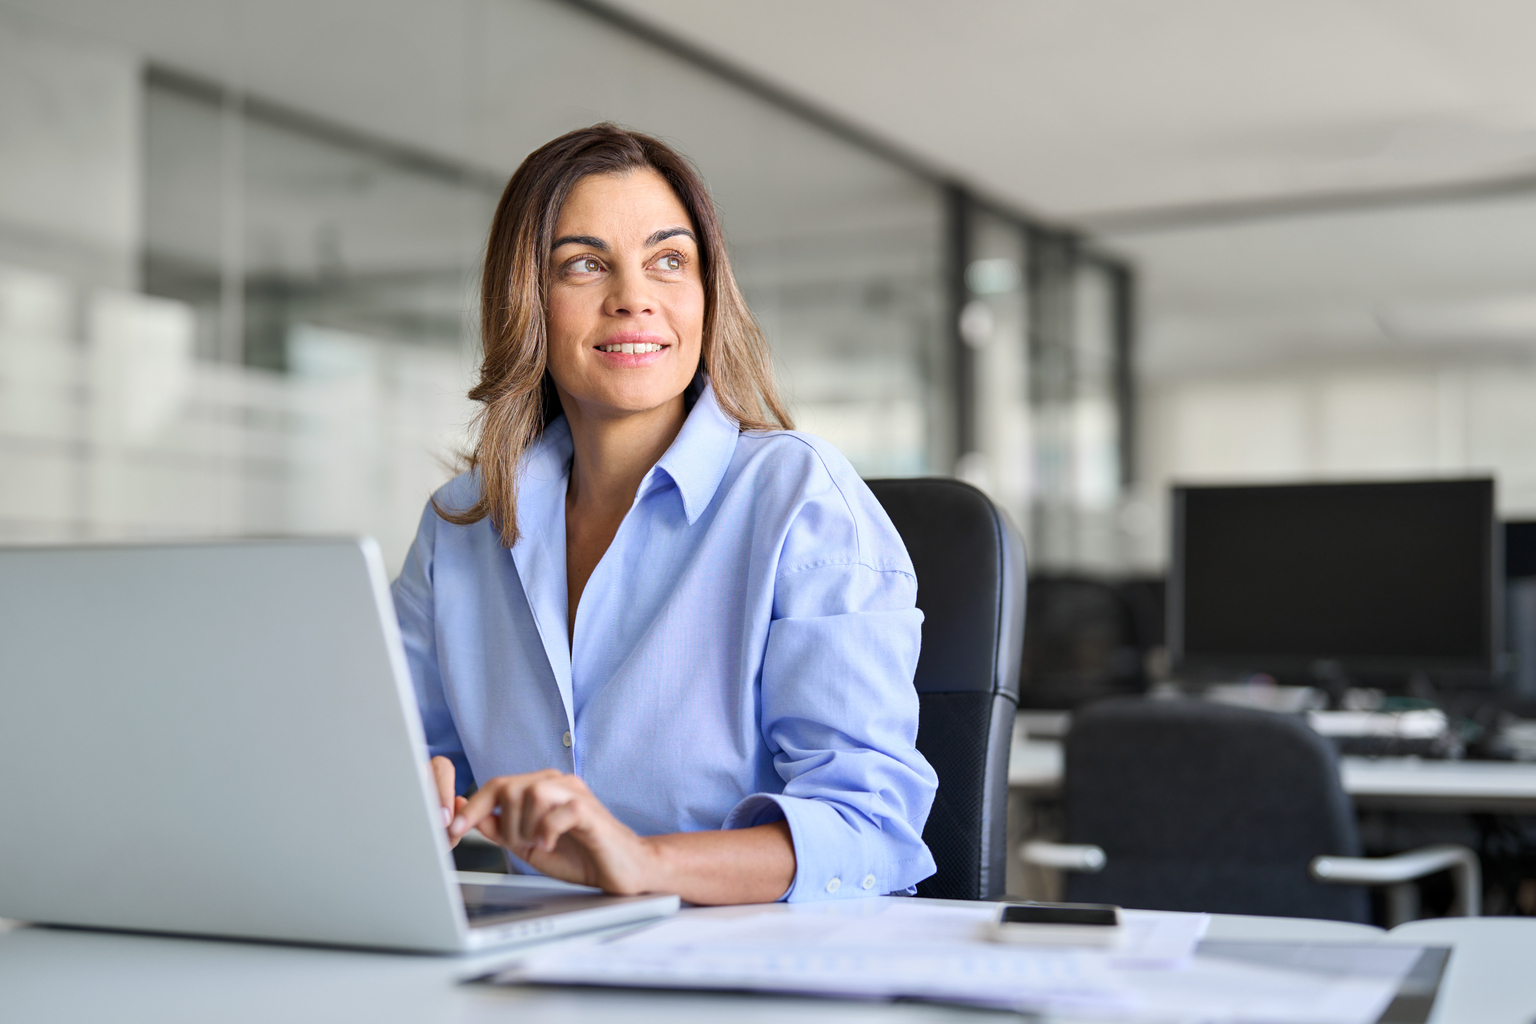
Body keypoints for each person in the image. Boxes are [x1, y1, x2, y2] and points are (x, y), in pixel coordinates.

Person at [392, 124, 936, 905]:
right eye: (585, 264)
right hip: (541, 967)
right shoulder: (461, 527)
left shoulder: (798, 499)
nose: (634, 297)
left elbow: (871, 829)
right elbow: (398, 760)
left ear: (708, 292)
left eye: (668, 260)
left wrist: (644, 863)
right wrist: (409, 788)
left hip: (754, 968)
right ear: (527, 299)